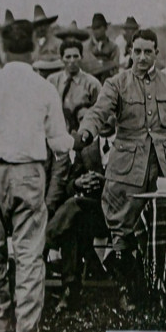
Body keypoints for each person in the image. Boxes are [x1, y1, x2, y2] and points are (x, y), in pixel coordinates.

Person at [0, 19, 73, 332]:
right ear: (34, 47)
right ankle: (28, 329)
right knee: (29, 250)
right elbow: (60, 142)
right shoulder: (45, 87)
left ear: (4, 50)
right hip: (29, 171)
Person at [76, 28, 166, 312]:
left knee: (163, 229)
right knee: (122, 230)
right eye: (137, 51)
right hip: (127, 170)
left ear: (157, 54)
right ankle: (128, 291)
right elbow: (99, 111)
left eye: (148, 52)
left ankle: (163, 292)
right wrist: (86, 133)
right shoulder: (116, 83)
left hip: (163, 170)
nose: (142, 57)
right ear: (130, 52)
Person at [46, 113, 115, 314]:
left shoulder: (126, 147)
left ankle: (45, 240)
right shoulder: (88, 151)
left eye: (108, 116)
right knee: (73, 221)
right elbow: (68, 185)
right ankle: (70, 290)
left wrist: (104, 182)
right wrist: (78, 183)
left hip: (117, 214)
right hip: (92, 215)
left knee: (74, 208)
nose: (102, 122)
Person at [46, 40, 102, 132]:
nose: (72, 61)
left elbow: (101, 111)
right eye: (68, 57)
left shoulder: (92, 83)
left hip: (84, 134)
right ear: (61, 59)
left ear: (81, 57)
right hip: (58, 132)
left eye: (76, 56)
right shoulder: (52, 81)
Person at [81, 13, 120, 82]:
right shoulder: (86, 47)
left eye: (98, 28)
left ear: (105, 28)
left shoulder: (113, 47)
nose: (95, 31)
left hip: (107, 80)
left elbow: (115, 65)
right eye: (94, 29)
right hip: (89, 80)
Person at [30, 4, 63, 73]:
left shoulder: (58, 42)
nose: (41, 28)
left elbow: (63, 60)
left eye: (43, 24)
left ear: (48, 25)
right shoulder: (31, 45)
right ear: (35, 28)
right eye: (38, 25)